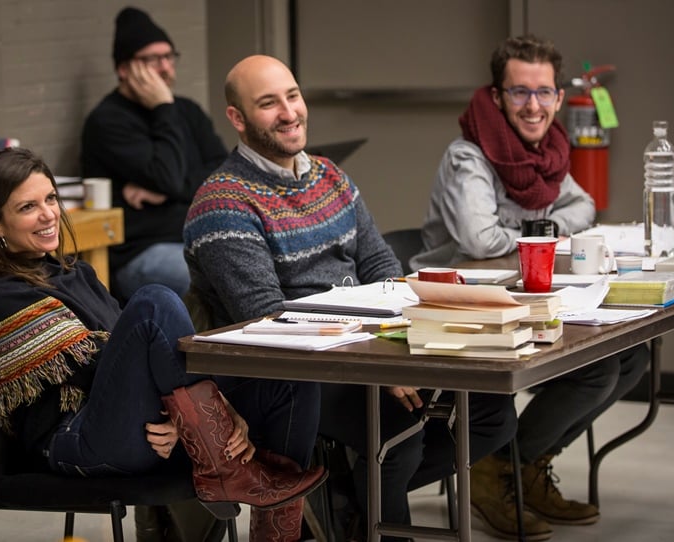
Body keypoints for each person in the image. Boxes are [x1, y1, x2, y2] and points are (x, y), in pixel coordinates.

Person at [182, 54, 517, 542]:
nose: (289, 112)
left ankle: (349, 497)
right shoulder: (223, 203)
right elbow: (268, 318)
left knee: (491, 411)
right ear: (237, 118)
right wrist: (377, 357)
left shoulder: (329, 175)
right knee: (400, 425)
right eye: (268, 103)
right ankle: (374, 517)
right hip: (294, 371)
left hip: (366, 343)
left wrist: (400, 340)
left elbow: (381, 266)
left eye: (292, 96)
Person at [0, 147, 326, 539]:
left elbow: (136, 362)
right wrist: (190, 414)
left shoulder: (74, 272)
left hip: (142, 424)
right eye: (27, 207)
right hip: (75, 442)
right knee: (154, 303)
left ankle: (279, 533)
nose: (48, 214)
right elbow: (93, 371)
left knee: (292, 374)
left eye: (50, 198)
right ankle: (223, 466)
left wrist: (180, 416)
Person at [411, 35, 649, 540]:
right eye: (519, 93)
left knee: (633, 357)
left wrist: (531, 229)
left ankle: (522, 466)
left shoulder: (547, 151)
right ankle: (496, 468)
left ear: (559, 98)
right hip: (464, 302)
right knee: (599, 367)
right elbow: (481, 241)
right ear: (497, 96)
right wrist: (544, 230)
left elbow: (584, 206)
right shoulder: (469, 155)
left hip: (527, 295)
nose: (534, 105)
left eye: (544, 93)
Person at [81, 6, 227, 301]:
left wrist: (168, 192)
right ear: (124, 69)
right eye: (152, 59)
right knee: (216, 278)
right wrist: (163, 107)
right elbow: (167, 176)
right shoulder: (108, 121)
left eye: (169, 56)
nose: (165, 67)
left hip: (195, 238)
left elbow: (223, 175)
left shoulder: (187, 111)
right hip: (140, 253)